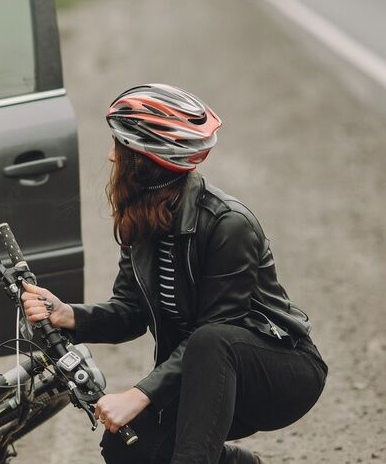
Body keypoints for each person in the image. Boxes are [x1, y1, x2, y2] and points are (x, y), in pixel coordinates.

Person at [20, 84, 327, 463]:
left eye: (120, 147)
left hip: (277, 374)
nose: (111, 157)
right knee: (126, 448)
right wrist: (68, 314)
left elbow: (218, 337)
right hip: (200, 375)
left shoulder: (228, 224)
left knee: (212, 341)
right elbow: (129, 312)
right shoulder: (143, 219)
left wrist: (139, 394)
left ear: (142, 161)